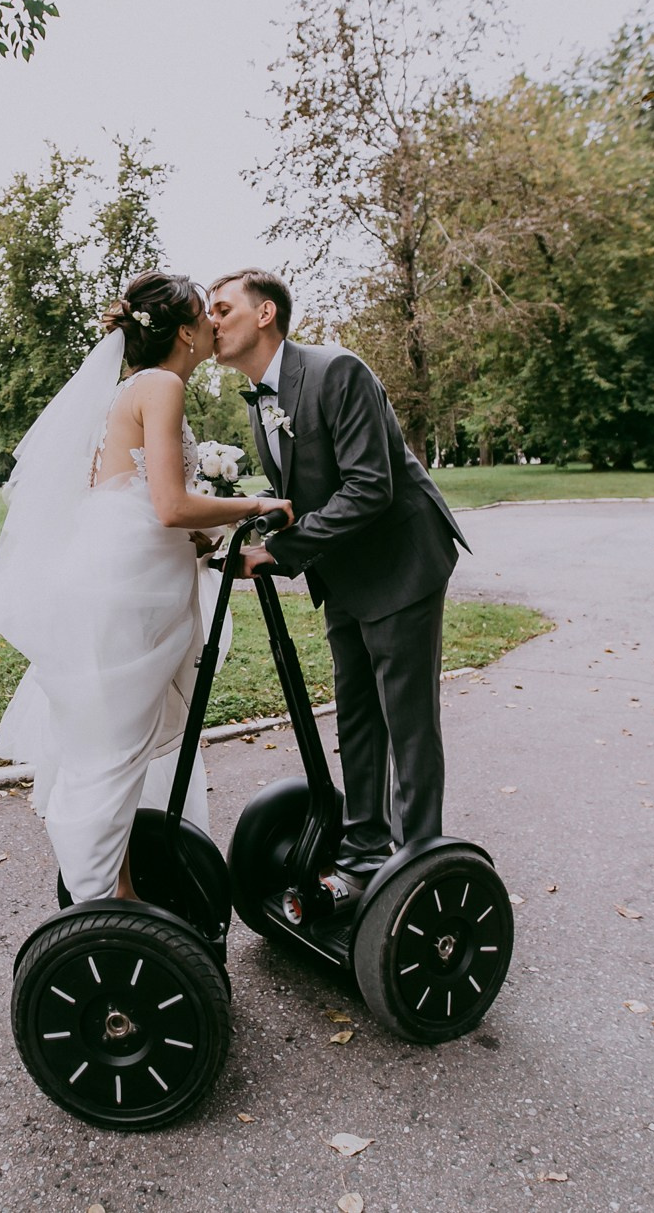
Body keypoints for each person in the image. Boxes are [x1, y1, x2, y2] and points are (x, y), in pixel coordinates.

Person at [0, 271, 293, 904]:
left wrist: (210, 538)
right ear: (187, 331)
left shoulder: (129, 391)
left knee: (115, 752)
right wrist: (257, 506)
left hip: (121, 579)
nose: (217, 325)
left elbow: (128, 502)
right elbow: (167, 506)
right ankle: (98, 914)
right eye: (208, 314)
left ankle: (123, 897)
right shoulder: (162, 385)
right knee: (110, 759)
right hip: (129, 593)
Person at [207, 268, 470, 901]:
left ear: (265, 313)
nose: (210, 321)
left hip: (400, 562)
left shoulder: (335, 370)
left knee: (406, 721)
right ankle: (361, 854)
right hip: (345, 572)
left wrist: (279, 553)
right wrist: (244, 518)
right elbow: (305, 494)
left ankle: (417, 869)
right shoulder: (262, 399)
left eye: (222, 308)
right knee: (355, 715)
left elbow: (370, 487)